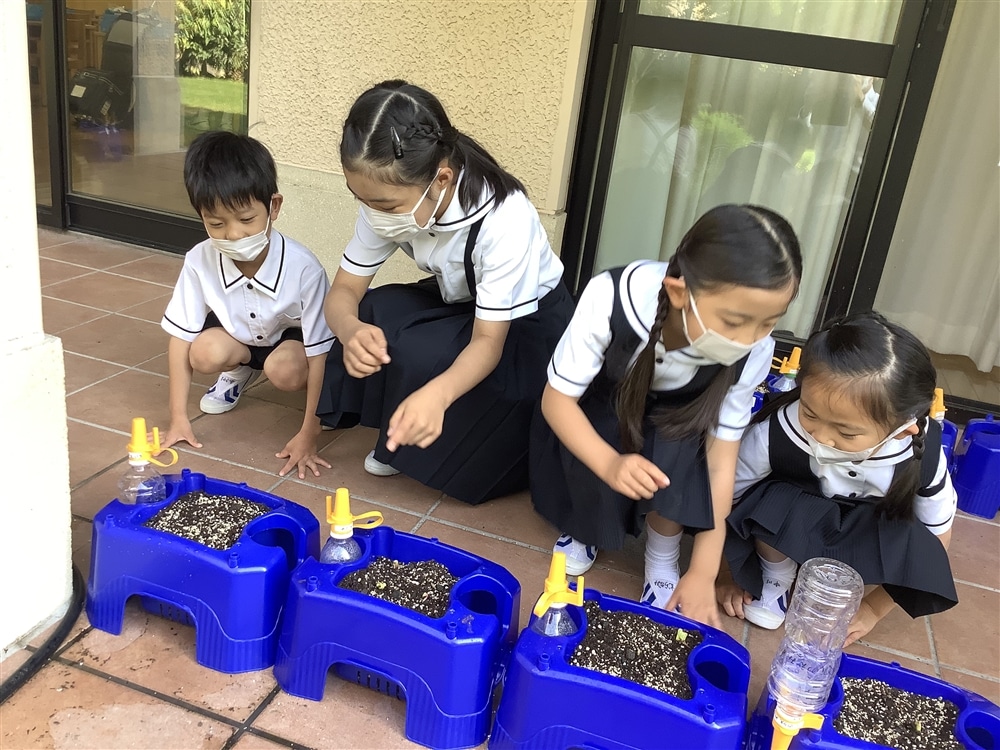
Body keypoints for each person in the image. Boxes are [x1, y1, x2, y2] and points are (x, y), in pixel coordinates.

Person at [530, 204, 802, 627]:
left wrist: (704, 570)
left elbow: (721, 461)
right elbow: (557, 401)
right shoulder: (612, 297)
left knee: (680, 442)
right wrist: (609, 463)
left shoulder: (754, 352)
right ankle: (586, 525)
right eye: (734, 321)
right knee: (600, 431)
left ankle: (663, 559)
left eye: (768, 323)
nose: (749, 339)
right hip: (602, 409)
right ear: (679, 293)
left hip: (678, 422)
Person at [316, 80, 574, 505]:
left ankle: (427, 441)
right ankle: (404, 438)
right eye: (360, 198)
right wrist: (349, 329)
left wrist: (438, 396)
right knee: (374, 311)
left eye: (385, 206)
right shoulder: (384, 196)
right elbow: (345, 289)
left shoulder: (504, 219)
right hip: (462, 301)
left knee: (428, 355)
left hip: (527, 327)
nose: (373, 213)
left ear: (442, 178)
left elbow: (488, 342)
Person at [719, 312, 958, 645]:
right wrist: (726, 572)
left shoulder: (922, 454)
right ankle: (776, 578)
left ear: (904, 429)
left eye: (846, 432)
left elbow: (934, 541)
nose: (821, 436)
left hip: (865, 536)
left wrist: (873, 608)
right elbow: (726, 499)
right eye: (809, 413)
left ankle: (842, 589)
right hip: (793, 525)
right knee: (767, 498)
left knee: (911, 535)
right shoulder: (777, 431)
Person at [160, 131, 335, 479]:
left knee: (287, 371)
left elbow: (320, 353)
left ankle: (307, 401)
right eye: (216, 223)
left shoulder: (305, 269)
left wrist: (309, 432)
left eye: (246, 219)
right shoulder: (198, 260)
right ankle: (238, 371)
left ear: (274, 207)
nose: (233, 234)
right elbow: (180, 337)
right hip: (237, 337)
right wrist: (178, 418)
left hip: (289, 344)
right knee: (202, 352)